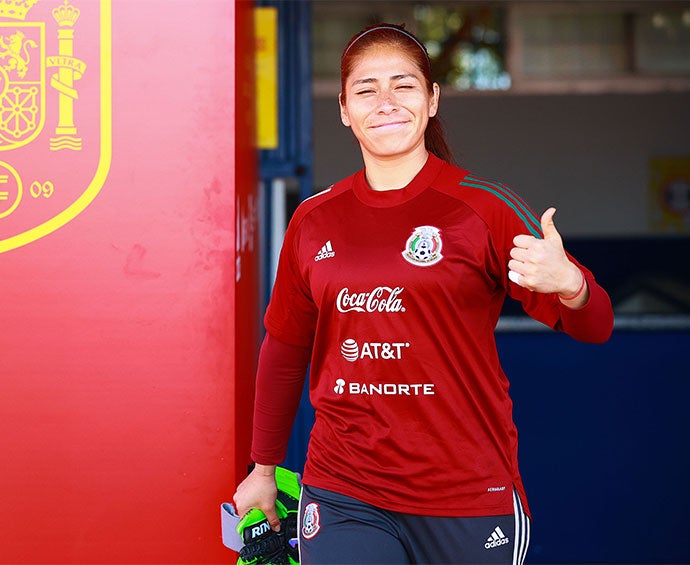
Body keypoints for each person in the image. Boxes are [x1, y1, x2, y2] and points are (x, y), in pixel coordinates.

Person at [232, 23, 613, 564]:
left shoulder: (486, 208)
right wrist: (263, 468)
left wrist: (572, 285)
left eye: (403, 86)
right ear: (344, 108)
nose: (385, 102)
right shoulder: (313, 220)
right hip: (346, 489)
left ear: (432, 99)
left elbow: (595, 325)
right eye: (366, 90)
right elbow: (285, 348)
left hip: (467, 494)